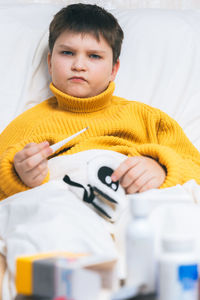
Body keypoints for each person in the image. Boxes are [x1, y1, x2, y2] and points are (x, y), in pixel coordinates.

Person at [0, 3, 200, 202]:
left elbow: (195, 169)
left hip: (136, 207)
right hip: (64, 208)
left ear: (114, 69)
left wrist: (163, 170)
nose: (79, 66)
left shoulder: (148, 118)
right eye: (67, 53)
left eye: (94, 56)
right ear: (50, 62)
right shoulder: (26, 125)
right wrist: (18, 177)